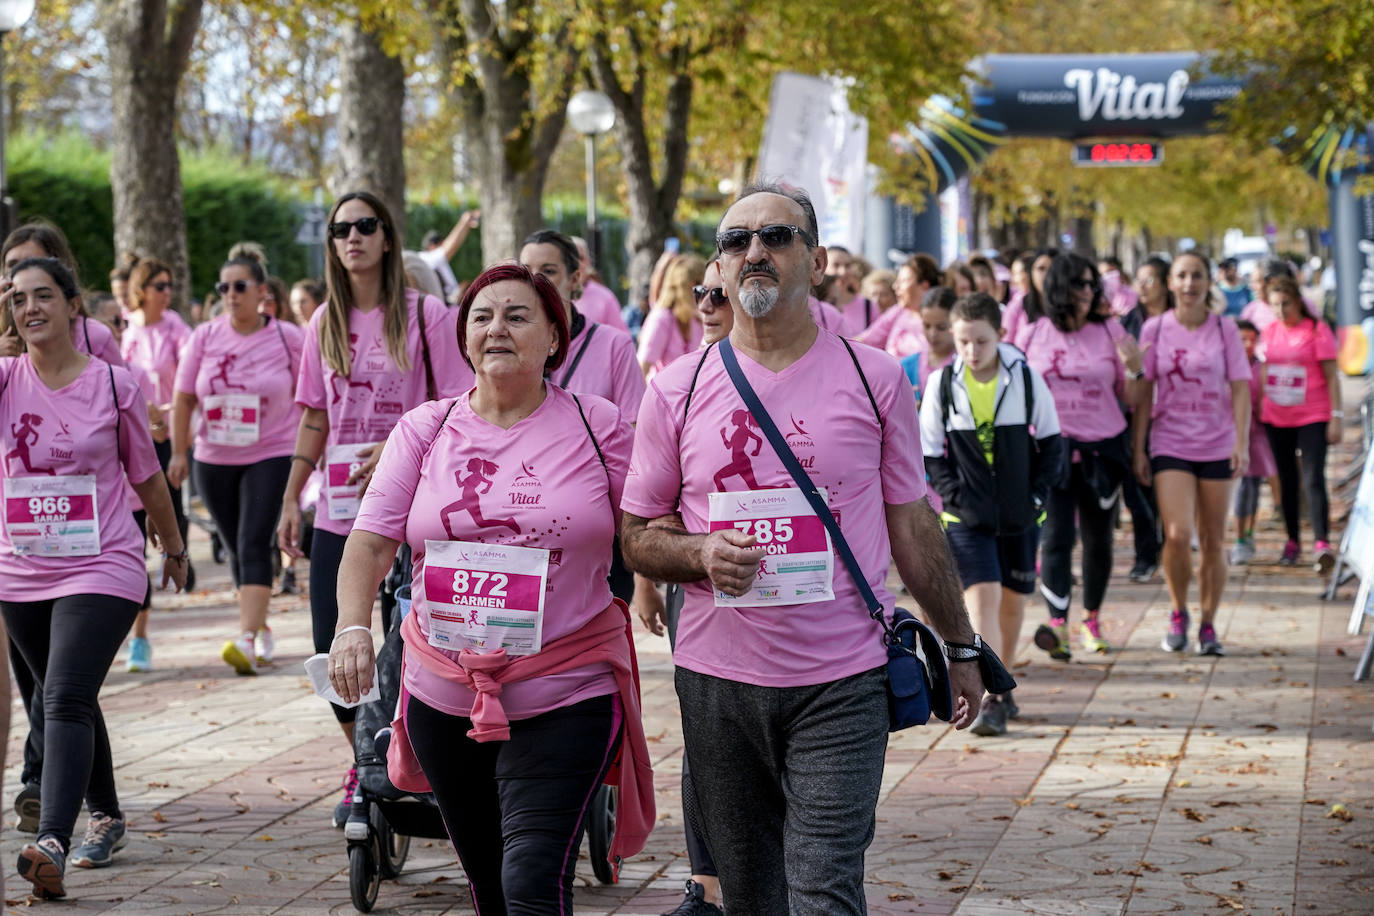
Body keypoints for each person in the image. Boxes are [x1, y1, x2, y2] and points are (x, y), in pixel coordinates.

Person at [620, 183, 984, 915]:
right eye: (736, 242)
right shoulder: (678, 391)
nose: (755, 252)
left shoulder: (874, 377)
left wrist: (963, 647)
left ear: (815, 262)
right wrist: (698, 557)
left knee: (823, 889)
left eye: (777, 238)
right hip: (718, 682)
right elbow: (635, 536)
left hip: (842, 680)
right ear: (718, 270)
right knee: (753, 896)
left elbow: (913, 525)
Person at [329, 262, 653, 913]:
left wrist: (663, 577)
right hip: (443, 695)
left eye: (517, 314)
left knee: (533, 879)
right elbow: (368, 541)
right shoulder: (424, 429)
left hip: (568, 686)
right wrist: (352, 628)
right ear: (465, 337)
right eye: (482, 316)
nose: (496, 327)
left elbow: (651, 523)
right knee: (489, 883)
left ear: (554, 339)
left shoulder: (600, 425)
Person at [277, 190, 473, 827]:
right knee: (333, 643)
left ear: (387, 237)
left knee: (416, 643)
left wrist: (397, 447)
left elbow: (457, 408)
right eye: (341, 229)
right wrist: (290, 496)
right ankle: (364, 762)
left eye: (366, 226)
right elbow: (313, 417)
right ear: (331, 244)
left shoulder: (427, 316)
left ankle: (409, 761)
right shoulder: (322, 323)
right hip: (338, 510)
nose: (353, 237)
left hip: (414, 507)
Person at [1, 257, 187, 898]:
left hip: (102, 562)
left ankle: (50, 838)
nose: (31, 307)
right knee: (65, 694)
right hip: (21, 571)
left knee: (63, 698)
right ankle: (106, 814)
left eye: (44, 295)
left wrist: (174, 544)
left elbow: (145, 473)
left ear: (73, 305)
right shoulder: (3, 382)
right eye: (18, 298)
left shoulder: (114, 384)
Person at [921, 292, 1064, 736]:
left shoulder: (1023, 379)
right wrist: (954, 499)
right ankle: (992, 699)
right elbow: (931, 455)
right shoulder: (942, 385)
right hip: (967, 520)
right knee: (982, 600)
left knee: (1012, 607)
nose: (971, 351)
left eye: (980, 341)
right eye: (963, 341)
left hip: (1020, 517)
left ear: (1000, 336)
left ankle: (1004, 685)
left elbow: (1052, 444)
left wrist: (1036, 497)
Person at [168, 255, 303, 675]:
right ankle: (259, 628)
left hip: (272, 452)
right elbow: (184, 396)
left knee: (251, 540)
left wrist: (308, 459)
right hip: (214, 457)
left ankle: (245, 638)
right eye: (223, 287)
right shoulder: (205, 337)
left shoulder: (288, 338)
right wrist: (177, 451)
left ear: (262, 292)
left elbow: (312, 397)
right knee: (234, 547)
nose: (229, 295)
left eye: (239, 286)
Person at [1018, 254, 1144, 660]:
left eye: (1092, 285)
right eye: (1079, 285)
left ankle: (1091, 618)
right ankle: (1058, 625)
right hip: (1050, 451)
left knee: (1098, 540)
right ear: (1058, 288)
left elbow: (1135, 398)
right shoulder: (1033, 333)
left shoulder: (1112, 331)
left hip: (1103, 450)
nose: (1088, 293)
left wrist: (1138, 371)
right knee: (1054, 538)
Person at [1133, 252, 1250, 657]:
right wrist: (1139, 448)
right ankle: (1179, 611)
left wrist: (1241, 443)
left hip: (1217, 443)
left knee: (1214, 540)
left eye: (1197, 275)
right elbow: (1144, 393)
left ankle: (1209, 624)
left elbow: (1240, 388)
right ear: (1170, 283)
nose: (1189, 283)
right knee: (1179, 535)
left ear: (1207, 282)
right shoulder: (1155, 328)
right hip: (1171, 443)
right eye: (1181, 276)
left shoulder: (1224, 329)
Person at [120, 256, 195, 648]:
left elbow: (187, 379)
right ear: (142, 290)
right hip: (126, 435)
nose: (167, 293)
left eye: (170, 286)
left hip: (163, 434)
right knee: (131, 522)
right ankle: (137, 622)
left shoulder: (176, 327)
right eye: (160, 286)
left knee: (167, 503)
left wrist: (175, 423)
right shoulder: (124, 327)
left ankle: (176, 553)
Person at [1259, 274, 1341, 570]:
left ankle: (1322, 542)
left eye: (1286, 304)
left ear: (1298, 302)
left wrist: (1337, 417)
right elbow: (1264, 369)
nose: (1281, 311)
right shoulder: (1268, 331)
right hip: (1276, 417)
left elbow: (1333, 377)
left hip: (1313, 415)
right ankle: (1292, 540)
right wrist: (1259, 407)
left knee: (1312, 478)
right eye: (1275, 306)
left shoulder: (1316, 330)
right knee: (1286, 481)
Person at [1118, 256, 1174, 583]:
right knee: (1137, 487)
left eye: (1150, 279)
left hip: (1171, 416)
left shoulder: (1178, 321)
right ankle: (1145, 554)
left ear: (1165, 284)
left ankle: (1170, 549)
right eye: (1138, 279)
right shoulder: (1129, 322)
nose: (1141, 286)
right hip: (1134, 414)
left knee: (1166, 488)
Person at [0, 225, 123, 367]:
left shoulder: (93, 336)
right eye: (13, 265)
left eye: (33, 262)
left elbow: (119, 386)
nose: (23, 273)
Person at [1230, 319, 1278, 565]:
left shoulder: (1262, 368)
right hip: (1233, 437)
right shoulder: (1226, 368)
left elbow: (1266, 401)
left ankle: (1248, 534)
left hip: (1257, 437)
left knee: (1254, 488)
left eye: (1251, 339)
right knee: (1241, 490)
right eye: (1241, 339)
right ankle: (1238, 539)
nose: (1247, 344)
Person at [858, 252, 941, 358]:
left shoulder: (941, 318)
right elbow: (866, 340)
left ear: (924, 286)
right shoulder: (898, 311)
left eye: (902, 281)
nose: (895, 286)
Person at [638, 254, 705, 378]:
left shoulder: (697, 318)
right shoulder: (661, 319)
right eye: (703, 287)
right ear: (691, 286)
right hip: (663, 395)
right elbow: (642, 369)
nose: (706, 293)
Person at [899, 285, 957, 404]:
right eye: (927, 326)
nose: (933, 334)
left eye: (941, 327)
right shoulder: (907, 366)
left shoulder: (966, 365)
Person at [572, 235, 631, 333]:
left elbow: (622, 339)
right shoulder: (550, 297)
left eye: (580, 258)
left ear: (588, 262)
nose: (576, 264)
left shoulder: (605, 297)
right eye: (570, 258)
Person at [418, 210, 480, 303]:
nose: (443, 247)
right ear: (432, 246)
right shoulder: (426, 258)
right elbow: (451, 247)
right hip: (444, 305)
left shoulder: (427, 260)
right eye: (441, 245)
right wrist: (465, 221)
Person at [1002, 248, 1056, 344]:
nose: (1046, 275)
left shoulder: (1072, 305)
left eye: (1052, 268)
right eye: (1041, 268)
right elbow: (1006, 343)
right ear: (1031, 272)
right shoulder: (1018, 304)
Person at [826, 245, 878, 335]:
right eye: (836, 265)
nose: (843, 272)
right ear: (823, 267)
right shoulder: (812, 305)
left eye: (847, 266)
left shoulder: (868, 306)